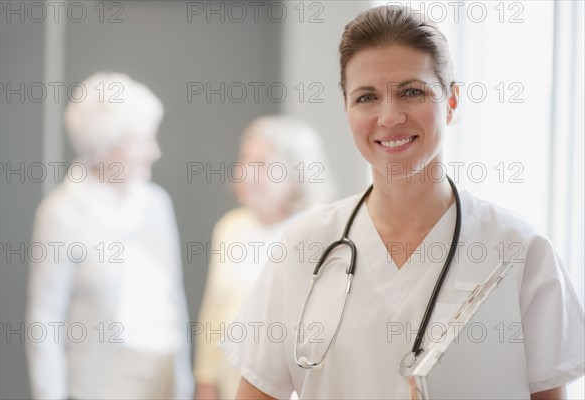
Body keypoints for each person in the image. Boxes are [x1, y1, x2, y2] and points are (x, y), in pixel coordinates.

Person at [219, 6, 585, 399]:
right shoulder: (303, 247)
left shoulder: (519, 249)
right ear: (347, 109)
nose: (389, 116)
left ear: (453, 102)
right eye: (366, 97)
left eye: (412, 91)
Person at [25, 72, 194, 399]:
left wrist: (183, 381)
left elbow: (175, 297)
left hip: (165, 376)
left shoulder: (156, 203)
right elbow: (45, 320)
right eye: (141, 141)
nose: (154, 151)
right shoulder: (61, 213)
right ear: (102, 146)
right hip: (104, 383)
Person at [194, 116, 335, 399]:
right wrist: (205, 381)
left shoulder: (320, 230)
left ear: (297, 176)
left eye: (261, 164)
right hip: (231, 384)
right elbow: (213, 310)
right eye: (245, 160)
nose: (245, 173)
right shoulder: (230, 227)